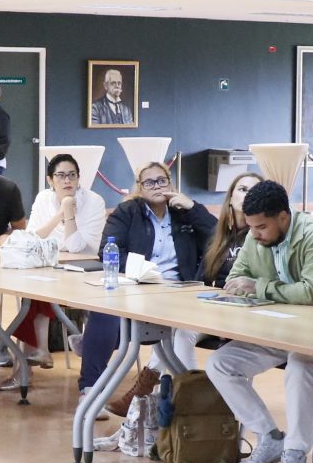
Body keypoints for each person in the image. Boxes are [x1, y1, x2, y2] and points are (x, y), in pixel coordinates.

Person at [206, 180, 313, 463]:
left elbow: (312, 293)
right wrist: (251, 286)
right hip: (275, 331)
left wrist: (260, 287)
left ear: (283, 218)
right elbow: (235, 277)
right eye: (251, 227)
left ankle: (295, 450)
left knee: (300, 364)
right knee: (219, 364)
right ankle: (269, 437)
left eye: (261, 227)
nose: (254, 235)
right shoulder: (256, 238)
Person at [77, 160, 215, 411]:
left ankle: (183, 404)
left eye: (161, 180)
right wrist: (144, 272)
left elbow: (218, 237)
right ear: (139, 187)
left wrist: (193, 207)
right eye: (148, 182)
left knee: (178, 329)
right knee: (102, 312)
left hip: (179, 291)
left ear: (170, 183)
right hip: (138, 286)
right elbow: (109, 251)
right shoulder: (127, 212)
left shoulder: (185, 212)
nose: (156, 186)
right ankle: (89, 390)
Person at [3, 153, 106, 374]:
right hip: (51, 267)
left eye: (72, 175)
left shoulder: (94, 201)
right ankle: (36, 353)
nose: (67, 181)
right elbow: (33, 237)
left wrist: (69, 213)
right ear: (50, 180)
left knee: (38, 291)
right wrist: (59, 213)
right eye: (60, 176)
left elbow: (79, 248)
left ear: (79, 178)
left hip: (85, 272)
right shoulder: (43, 198)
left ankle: (32, 357)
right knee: (33, 289)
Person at [202, 172, 263, 289]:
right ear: (230, 197)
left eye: (254, 191)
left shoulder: (263, 235)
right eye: (243, 189)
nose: (248, 195)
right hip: (217, 298)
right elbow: (202, 278)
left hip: (249, 298)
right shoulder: (216, 233)